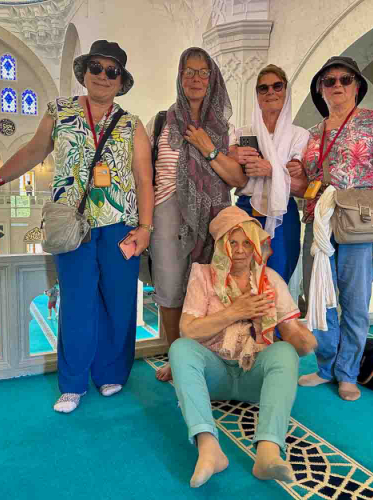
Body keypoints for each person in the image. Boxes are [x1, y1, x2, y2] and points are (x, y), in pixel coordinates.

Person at [0, 40, 154, 413]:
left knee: (118, 303)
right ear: (84, 72)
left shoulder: (132, 124)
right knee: (77, 302)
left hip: (120, 226)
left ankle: (111, 373)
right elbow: (32, 151)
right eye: (96, 68)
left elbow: (144, 178)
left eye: (112, 71)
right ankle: (72, 384)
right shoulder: (60, 111)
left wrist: (146, 227)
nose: (103, 76)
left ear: (121, 81)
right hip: (72, 224)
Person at [169, 206, 317, 488]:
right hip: (214, 376)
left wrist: (305, 340)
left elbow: (294, 338)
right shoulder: (202, 275)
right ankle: (209, 448)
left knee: (284, 352)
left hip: (253, 378)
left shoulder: (270, 280)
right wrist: (235, 311)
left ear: (256, 246)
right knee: (180, 348)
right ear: (220, 246)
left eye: (247, 243)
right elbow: (188, 330)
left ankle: (268, 453)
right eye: (232, 243)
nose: (239, 251)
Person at [298, 56, 373, 401]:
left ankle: (348, 372)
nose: (337, 85)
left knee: (355, 301)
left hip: (362, 223)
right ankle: (327, 366)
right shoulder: (312, 134)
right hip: (320, 222)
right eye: (329, 80)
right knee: (319, 298)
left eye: (345, 79)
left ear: (357, 86)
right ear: (320, 88)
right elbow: (308, 183)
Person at [145, 47, 246, 382]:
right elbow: (145, 174)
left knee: (208, 289)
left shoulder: (224, 128)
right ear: (179, 76)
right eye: (188, 71)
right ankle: (178, 359)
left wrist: (208, 147)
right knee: (171, 291)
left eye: (203, 72)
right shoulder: (162, 121)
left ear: (213, 78)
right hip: (167, 214)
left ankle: (207, 358)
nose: (196, 78)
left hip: (211, 218)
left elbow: (237, 179)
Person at [229, 64, 309, 284]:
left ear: (286, 91)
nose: (270, 92)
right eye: (263, 88)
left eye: (277, 86)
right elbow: (228, 177)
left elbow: (303, 187)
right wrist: (232, 156)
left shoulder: (299, 135)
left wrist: (272, 170)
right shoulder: (242, 133)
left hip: (282, 211)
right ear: (257, 95)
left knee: (278, 279)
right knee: (242, 279)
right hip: (246, 209)